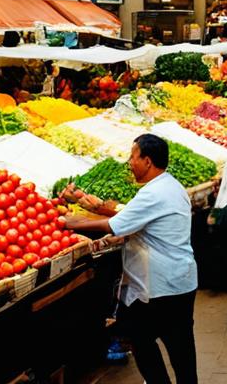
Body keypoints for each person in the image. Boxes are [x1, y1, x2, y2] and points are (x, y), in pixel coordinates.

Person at [61, 135, 198, 384]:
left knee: (142, 340)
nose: (129, 162)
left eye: (133, 157)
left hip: (161, 287)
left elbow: (114, 225)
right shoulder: (171, 186)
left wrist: (70, 223)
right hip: (181, 280)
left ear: (147, 160)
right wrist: (87, 203)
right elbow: (133, 220)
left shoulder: (154, 193)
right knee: (181, 348)